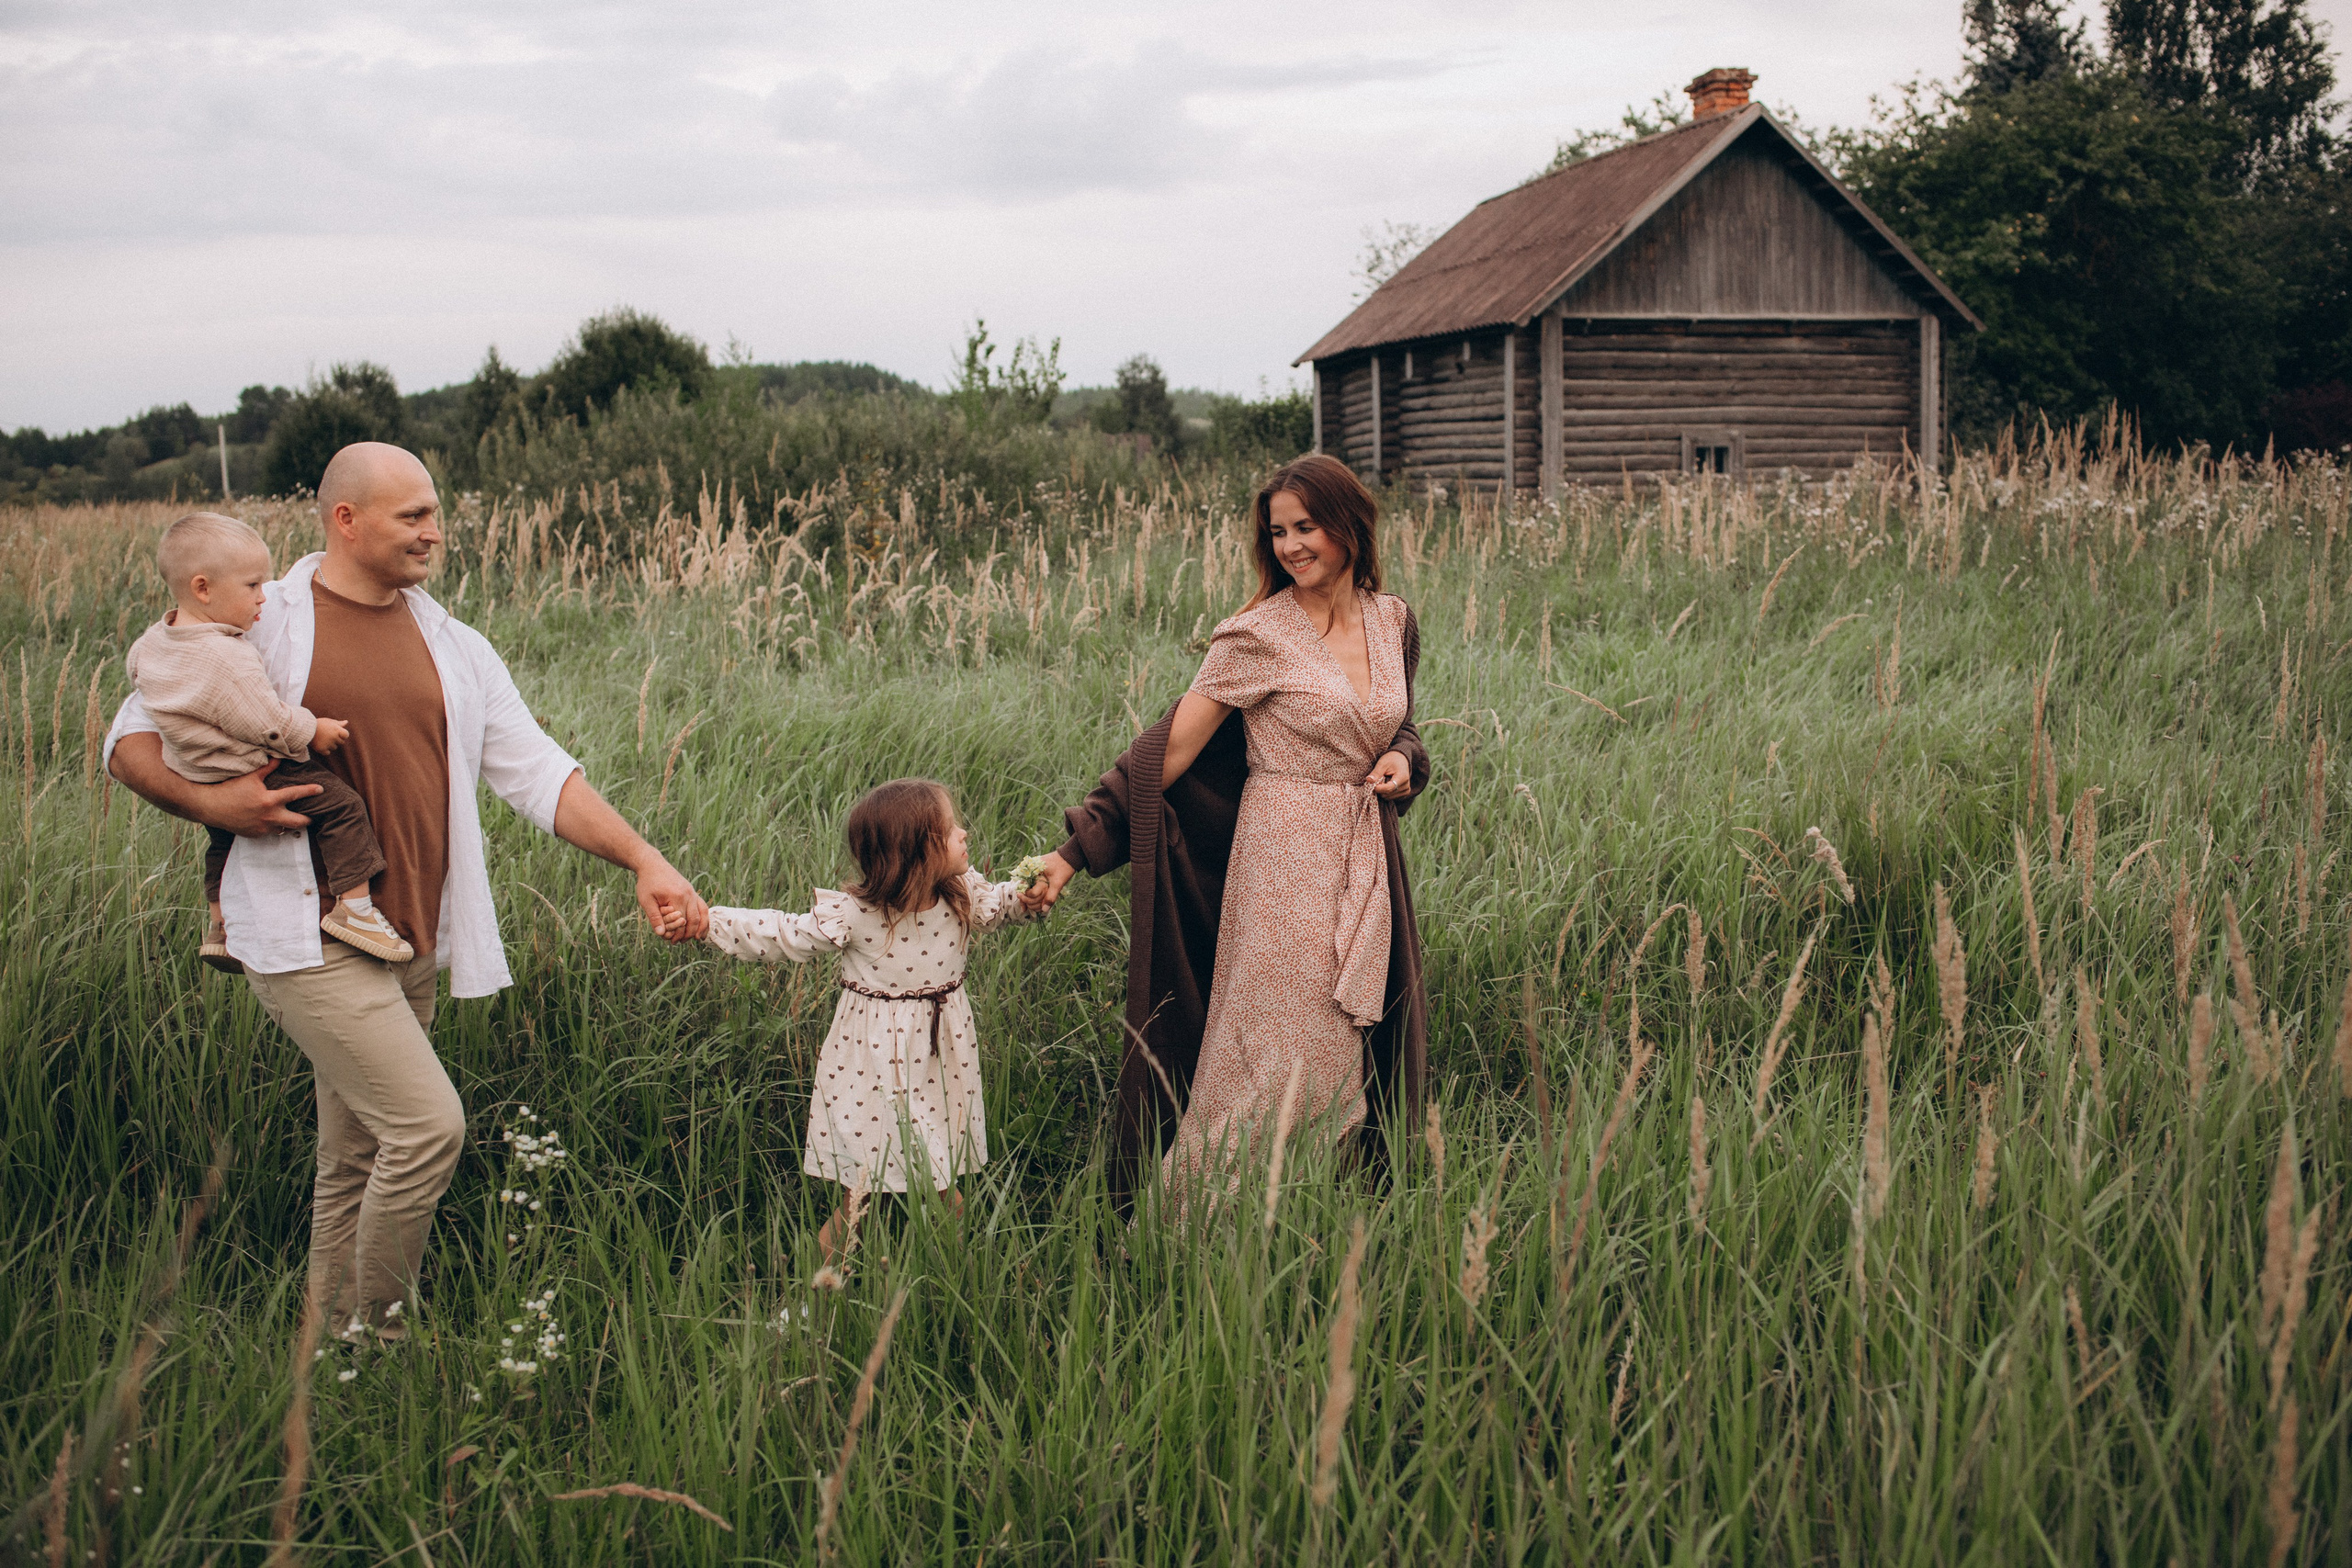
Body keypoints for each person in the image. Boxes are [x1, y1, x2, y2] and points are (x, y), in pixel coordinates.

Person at [106, 442, 708, 1340]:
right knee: (428, 1131)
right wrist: (213, 803)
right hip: (309, 935)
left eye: (435, 511)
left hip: (411, 937)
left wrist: (644, 859)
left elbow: (538, 771)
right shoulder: (261, 619)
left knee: (354, 1154)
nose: (435, 530)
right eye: (412, 514)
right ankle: (381, 1337)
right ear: (345, 521)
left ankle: (330, 1350)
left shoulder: (454, 645)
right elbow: (131, 740)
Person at [1022, 454, 1430, 1207]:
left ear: (1351, 522)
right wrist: (1076, 848)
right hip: (1281, 859)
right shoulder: (1255, 634)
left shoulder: (1392, 618)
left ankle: (1307, 1213)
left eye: (1306, 526)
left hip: (1364, 858)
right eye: (1278, 531)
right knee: (1272, 1052)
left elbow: (1394, 723)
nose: (1291, 545)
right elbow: (1166, 752)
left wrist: (1405, 759)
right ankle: (1193, 1226)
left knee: (1342, 1046)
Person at [705, 778, 1041, 1263]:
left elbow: (1004, 905)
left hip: (937, 1061)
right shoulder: (857, 914)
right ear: (918, 853)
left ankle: (972, 1285)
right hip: (874, 1069)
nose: (964, 833)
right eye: (950, 831)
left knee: (939, 1181)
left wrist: (1030, 894)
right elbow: (782, 933)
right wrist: (707, 921)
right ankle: (815, 1301)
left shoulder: (961, 894)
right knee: (861, 1194)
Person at [127, 512, 411, 973]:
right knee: (341, 807)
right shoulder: (226, 657)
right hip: (248, 766)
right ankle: (356, 911)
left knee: (222, 841)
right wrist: (312, 729)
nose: (264, 596)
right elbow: (266, 724)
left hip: (198, 769)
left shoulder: (153, 642)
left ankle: (221, 927)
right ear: (203, 589)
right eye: (252, 586)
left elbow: (140, 680)